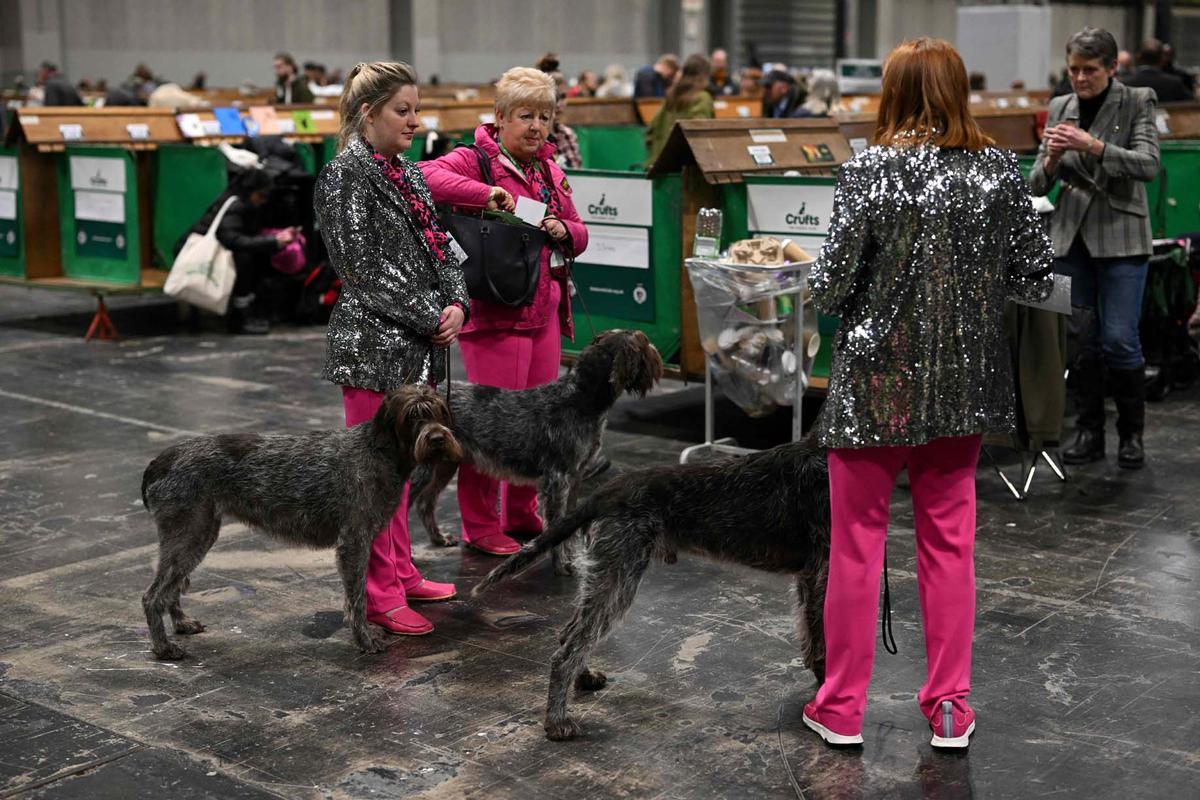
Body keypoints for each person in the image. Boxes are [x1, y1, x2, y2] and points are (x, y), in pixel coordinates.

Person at [805, 37, 1053, 750]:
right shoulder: (999, 172)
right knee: (950, 547)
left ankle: (842, 708)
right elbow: (1033, 274)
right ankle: (949, 706)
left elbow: (829, 287)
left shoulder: (866, 172)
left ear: (894, 92)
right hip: (962, 389)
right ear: (957, 92)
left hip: (873, 385)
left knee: (856, 547)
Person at [314, 61, 469, 635]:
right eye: (403, 110)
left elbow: (444, 249)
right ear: (367, 113)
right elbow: (362, 269)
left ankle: (402, 573)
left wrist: (458, 304)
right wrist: (432, 313)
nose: (414, 120)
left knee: (401, 473)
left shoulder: (407, 172)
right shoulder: (345, 175)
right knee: (373, 483)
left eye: (417, 109)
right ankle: (378, 593)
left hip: (418, 345)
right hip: (372, 348)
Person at [421, 66, 589, 556]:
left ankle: (521, 512)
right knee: (489, 427)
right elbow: (429, 177)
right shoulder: (476, 159)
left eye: (545, 116)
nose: (536, 126)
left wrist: (563, 230)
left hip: (545, 312)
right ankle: (480, 524)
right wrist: (494, 195)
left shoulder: (551, 170)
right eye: (524, 116)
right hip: (496, 313)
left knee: (538, 423)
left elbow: (580, 233)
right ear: (499, 118)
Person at [1030, 27, 1160, 469]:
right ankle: (1088, 432)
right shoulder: (1060, 105)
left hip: (1122, 235)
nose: (1080, 79)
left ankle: (1131, 436)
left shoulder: (1138, 100)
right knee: (1079, 343)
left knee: (1120, 340)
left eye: (1089, 70)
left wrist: (1095, 146)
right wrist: (1048, 160)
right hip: (1070, 239)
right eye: (1073, 70)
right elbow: (1036, 183)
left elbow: (1149, 165)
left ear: (1111, 67)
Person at [180, 169, 297, 335]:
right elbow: (233, 240)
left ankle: (245, 314)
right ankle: (240, 318)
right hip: (195, 253)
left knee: (252, 256)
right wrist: (274, 241)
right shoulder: (235, 205)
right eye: (261, 195)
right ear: (251, 191)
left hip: (210, 250)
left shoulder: (240, 201)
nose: (263, 201)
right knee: (245, 259)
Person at [645, 54, 715, 165]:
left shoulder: (670, 96)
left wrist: (657, 155)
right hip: (686, 171)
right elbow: (699, 135)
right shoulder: (702, 98)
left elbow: (651, 131)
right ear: (705, 74)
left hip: (659, 168)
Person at [1120, 38, 1190, 102]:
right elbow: (1191, 104)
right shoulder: (1174, 83)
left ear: (1138, 58)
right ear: (1162, 60)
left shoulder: (1125, 84)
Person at [548, 72, 582, 169]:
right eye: (554, 98)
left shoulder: (568, 134)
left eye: (562, 97)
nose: (558, 104)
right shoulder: (534, 138)